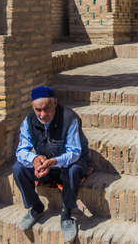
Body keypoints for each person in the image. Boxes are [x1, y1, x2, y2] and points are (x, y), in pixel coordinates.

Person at [13, 85, 90, 234]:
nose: (42, 115)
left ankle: (67, 213)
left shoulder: (69, 118)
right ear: (32, 107)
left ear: (55, 102)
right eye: (38, 110)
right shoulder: (29, 121)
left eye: (46, 109)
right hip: (47, 165)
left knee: (73, 169)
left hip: (68, 163)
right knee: (18, 168)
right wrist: (34, 159)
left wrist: (53, 161)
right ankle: (36, 207)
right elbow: (21, 150)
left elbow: (74, 152)